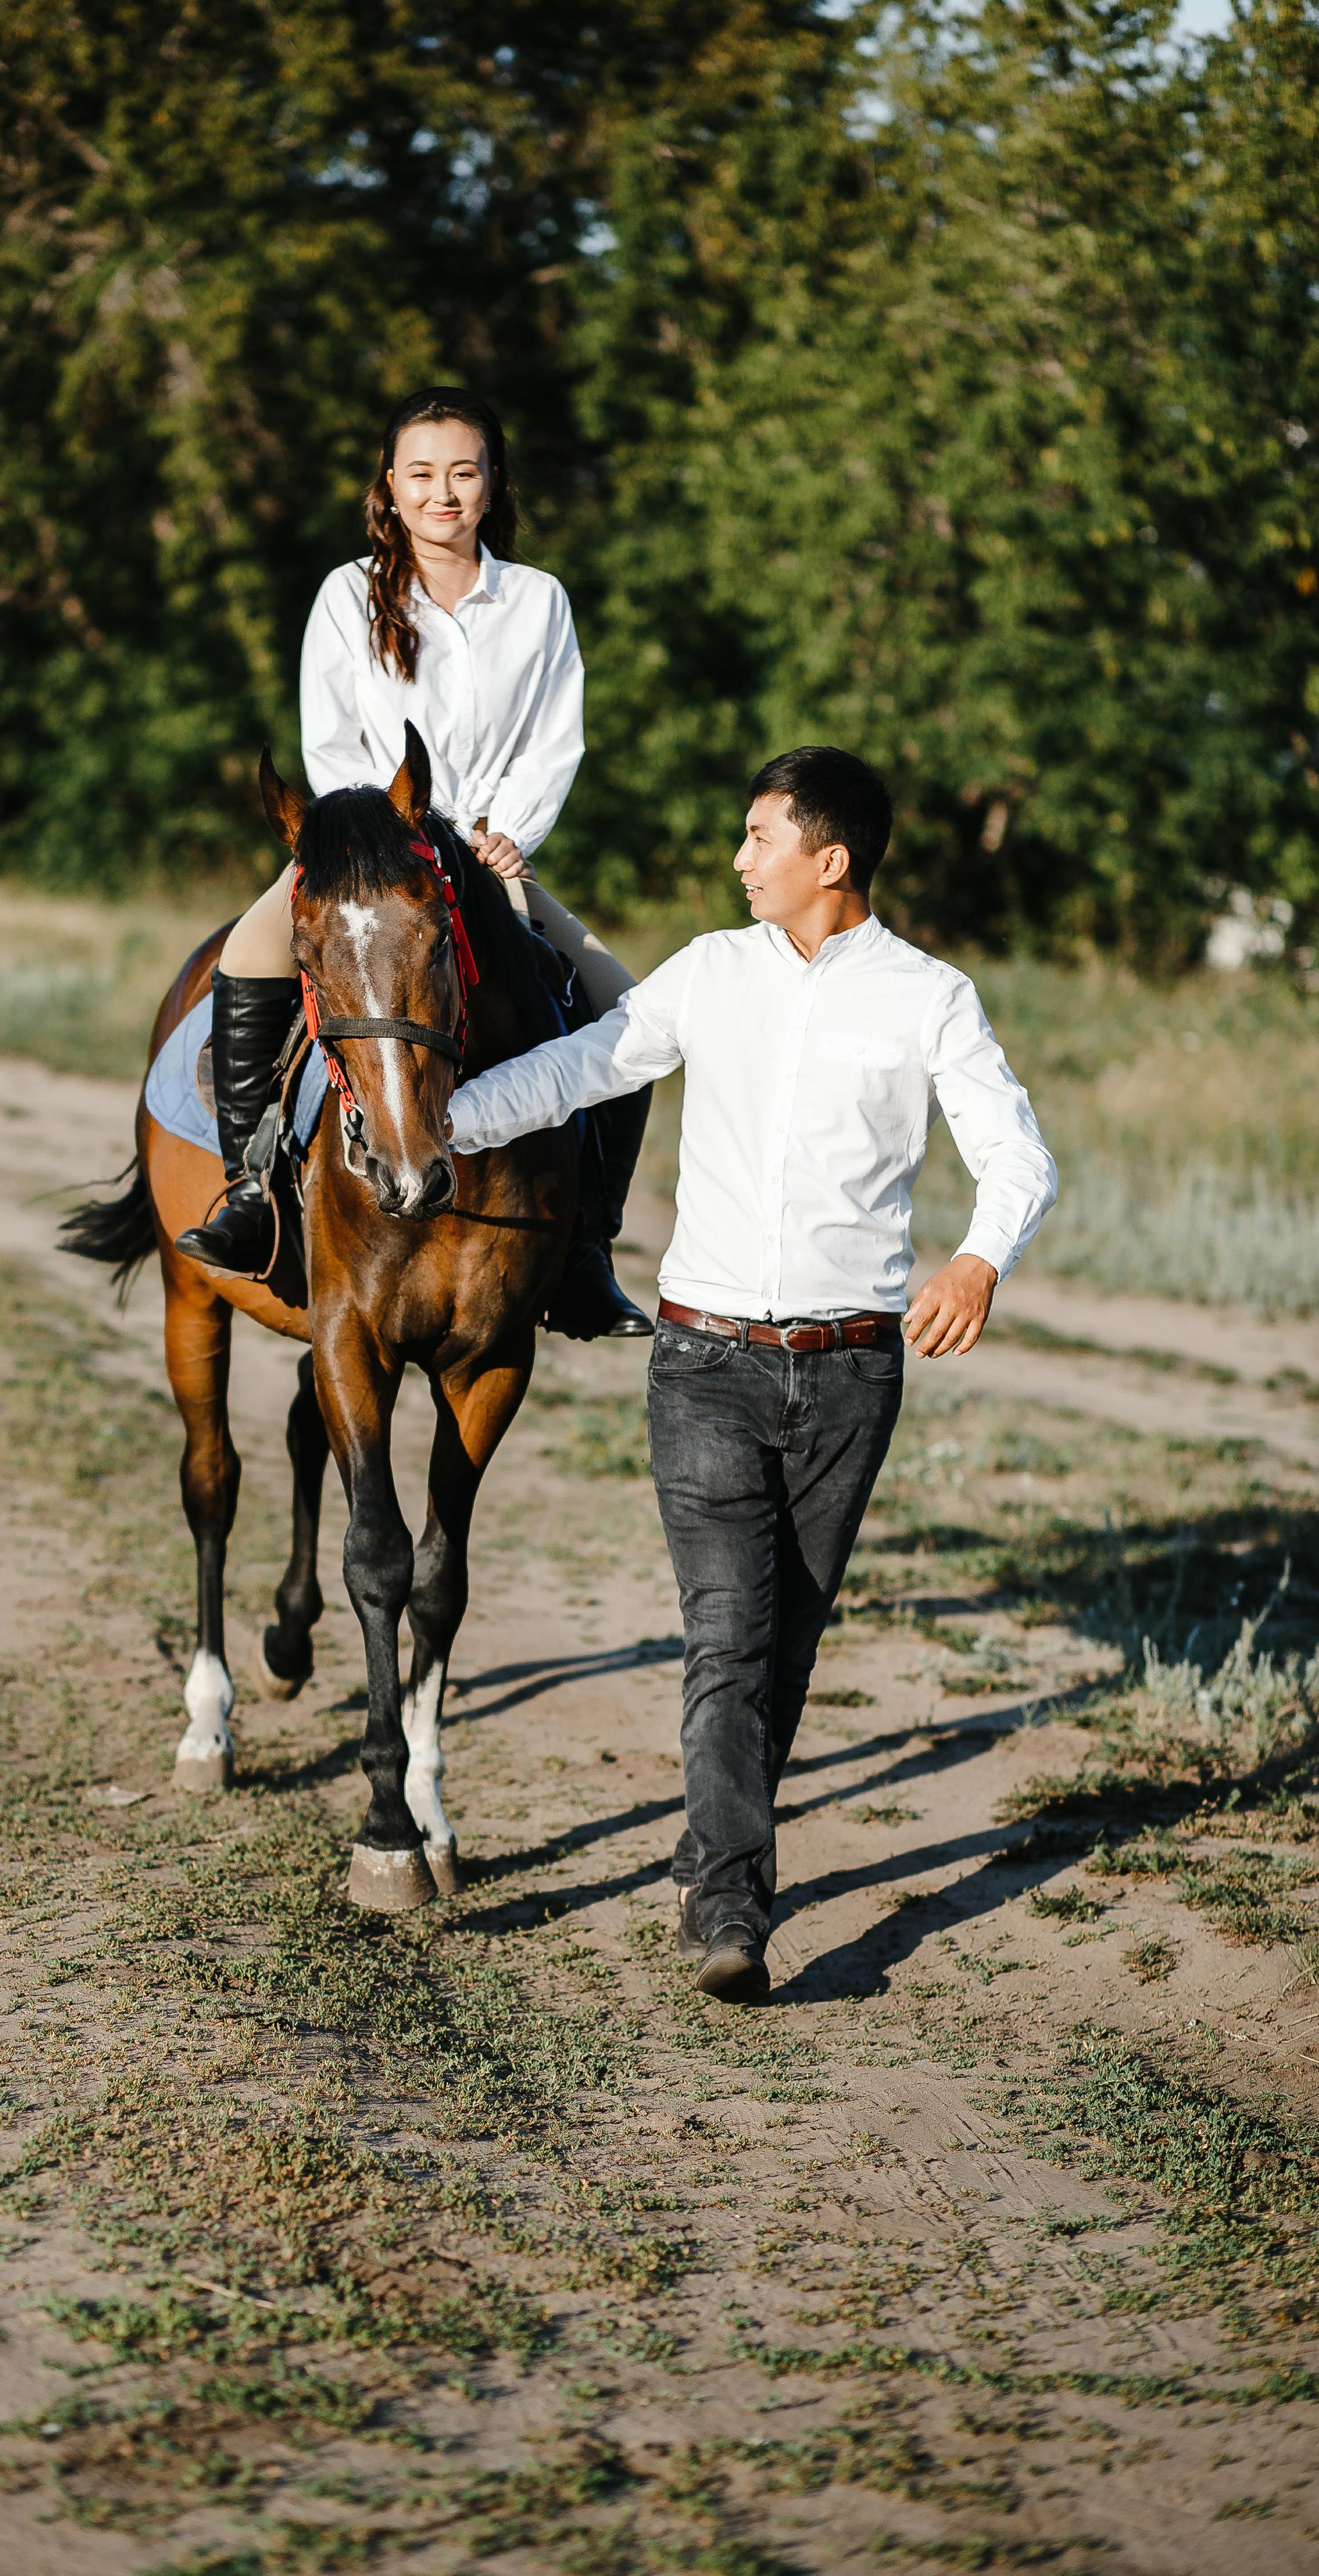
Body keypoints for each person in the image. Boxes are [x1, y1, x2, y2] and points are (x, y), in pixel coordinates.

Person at [444, 746, 1058, 2005]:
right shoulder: (710, 972)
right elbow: (584, 1067)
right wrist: (441, 1124)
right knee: (727, 1634)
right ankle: (731, 1903)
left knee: (786, 1644)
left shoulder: (931, 998)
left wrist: (977, 1263)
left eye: (759, 838)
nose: (739, 859)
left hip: (851, 1375)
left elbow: (1017, 1158)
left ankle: (707, 1851)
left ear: (828, 862)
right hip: (705, 1359)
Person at [174, 386, 652, 1340]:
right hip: (365, 852)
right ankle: (252, 1190)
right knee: (247, 959)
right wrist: (394, 836)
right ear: (389, 488)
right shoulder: (346, 594)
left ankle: (587, 1246)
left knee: (620, 1005)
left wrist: (508, 830)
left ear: (492, 485)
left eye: (463, 473)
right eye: (422, 474)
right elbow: (329, 740)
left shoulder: (540, 602)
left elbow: (556, 741)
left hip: (485, 851)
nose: (443, 493)